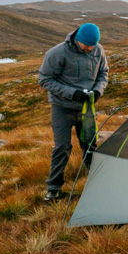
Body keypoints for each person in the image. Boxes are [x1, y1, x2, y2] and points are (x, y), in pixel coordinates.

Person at [38, 23, 109, 201]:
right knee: (62, 147)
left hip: (87, 108)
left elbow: (103, 73)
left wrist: (99, 90)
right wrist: (73, 93)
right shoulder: (57, 53)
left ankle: (97, 182)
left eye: (94, 45)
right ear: (78, 40)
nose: (91, 48)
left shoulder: (98, 50)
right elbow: (44, 79)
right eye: (88, 45)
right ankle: (53, 188)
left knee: (90, 145)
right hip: (62, 107)